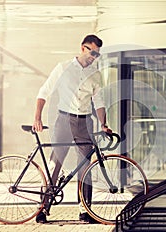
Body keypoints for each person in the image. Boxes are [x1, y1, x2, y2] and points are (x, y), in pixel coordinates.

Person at [32, 34, 112, 224]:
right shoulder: (63, 68)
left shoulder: (96, 74)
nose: (94, 57)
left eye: (97, 54)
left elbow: (99, 101)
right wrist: (37, 118)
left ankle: (85, 211)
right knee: (55, 163)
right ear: (83, 48)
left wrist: (103, 124)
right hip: (64, 120)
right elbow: (44, 92)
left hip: (85, 123)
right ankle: (42, 208)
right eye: (93, 52)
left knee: (86, 166)